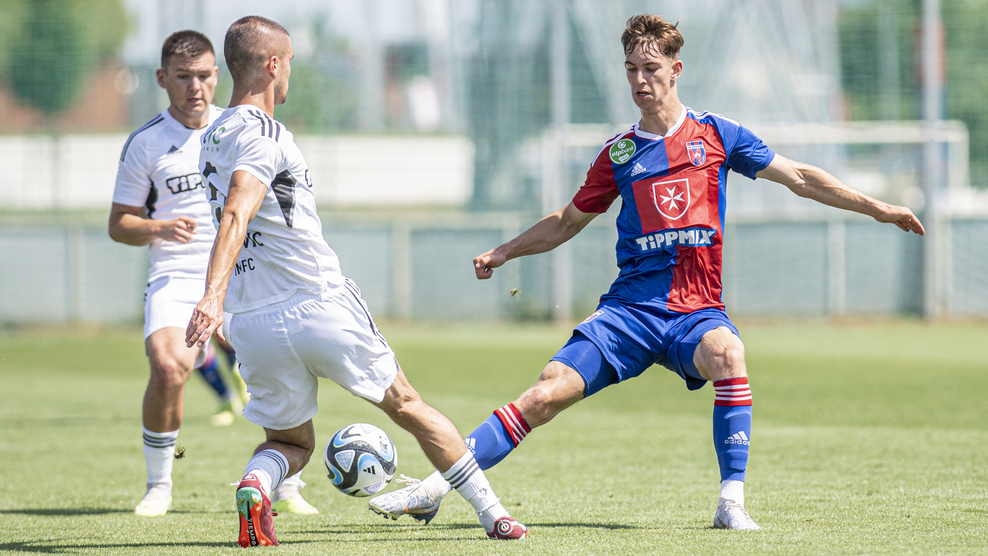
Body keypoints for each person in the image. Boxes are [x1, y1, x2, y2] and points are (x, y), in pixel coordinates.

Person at [367, 14, 926, 531]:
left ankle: (731, 503)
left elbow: (799, 176)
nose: (640, 79)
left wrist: (878, 207)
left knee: (729, 355)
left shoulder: (717, 134)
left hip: (695, 312)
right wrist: (505, 252)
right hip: (629, 312)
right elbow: (567, 221)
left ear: (675, 70)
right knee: (545, 394)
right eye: (631, 69)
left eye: (651, 68)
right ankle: (434, 488)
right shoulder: (619, 153)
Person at [185, 16, 527, 547]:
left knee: (291, 442)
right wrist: (210, 295)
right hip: (316, 302)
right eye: (289, 62)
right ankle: (496, 516)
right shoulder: (265, 132)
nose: (290, 72)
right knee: (409, 406)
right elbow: (237, 210)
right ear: (273, 65)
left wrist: (218, 299)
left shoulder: (212, 136)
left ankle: (256, 483)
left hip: (252, 320)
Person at [109, 30, 315, 517]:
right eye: (183, 77)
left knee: (282, 370)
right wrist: (158, 226)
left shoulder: (241, 128)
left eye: (203, 75)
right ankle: (159, 485)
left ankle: (288, 486)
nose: (195, 87)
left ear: (218, 75)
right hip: (179, 273)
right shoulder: (145, 143)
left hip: (246, 269)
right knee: (168, 367)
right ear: (162, 79)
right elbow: (119, 223)